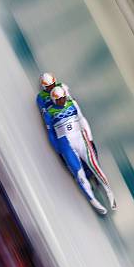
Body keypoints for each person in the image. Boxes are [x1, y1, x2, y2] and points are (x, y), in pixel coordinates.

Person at [44, 86, 116, 214]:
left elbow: (82, 119)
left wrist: (90, 137)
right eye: (59, 99)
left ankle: (108, 191)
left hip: (80, 139)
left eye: (63, 98)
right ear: (54, 100)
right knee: (79, 173)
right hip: (66, 145)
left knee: (94, 164)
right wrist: (58, 149)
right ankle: (92, 199)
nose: (62, 101)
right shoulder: (48, 111)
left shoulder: (72, 103)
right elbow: (50, 133)